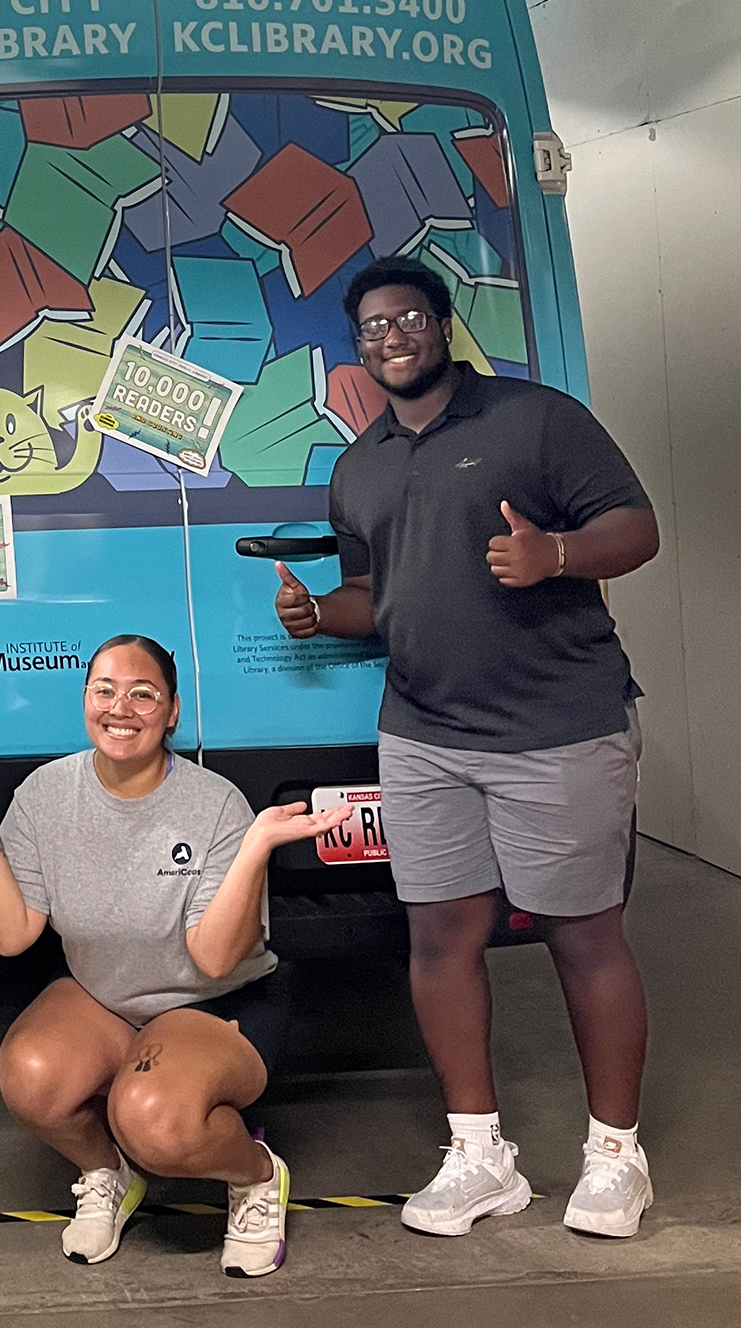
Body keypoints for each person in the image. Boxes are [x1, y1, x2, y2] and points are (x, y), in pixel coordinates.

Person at [272, 255, 661, 1238]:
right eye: (370, 328)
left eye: (406, 318)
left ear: (441, 326)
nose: (389, 338)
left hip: (558, 727)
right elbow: (379, 595)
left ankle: (616, 1157)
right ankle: (479, 1155)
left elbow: (637, 526)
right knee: (440, 937)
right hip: (423, 737)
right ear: (356, 348)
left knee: (581, 935)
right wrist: (321, 613)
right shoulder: (358, 466)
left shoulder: (533, 420)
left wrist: (557, 555)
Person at [0, 636, 349, 1277]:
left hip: (212, 999)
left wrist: (255, 847)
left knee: (152, 1120)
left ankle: (256, 1175)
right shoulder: (46, 793)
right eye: (105, 691)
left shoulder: (216, 804)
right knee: (31, 1077)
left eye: (143, 694)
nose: (122, 708)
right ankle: (107, 1173)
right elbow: (12, 934)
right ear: (86, 700)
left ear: (172, 711)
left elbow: (215, 956)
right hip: (106, 992)